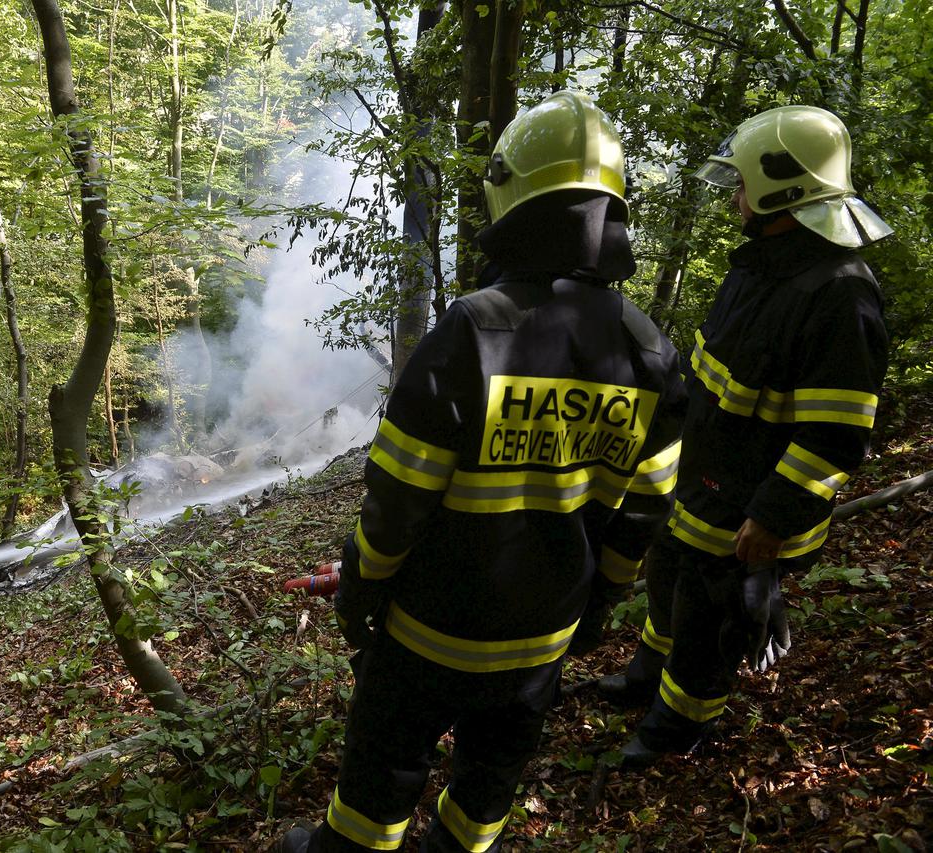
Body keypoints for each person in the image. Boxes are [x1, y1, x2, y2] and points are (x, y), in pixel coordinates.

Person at [280, 90, 687, 853]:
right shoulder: (647, 351)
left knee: (381, 779)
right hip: (542, 638)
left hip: (431, 633)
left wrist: (362, 584)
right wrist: (599, 603)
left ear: (513, 198)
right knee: (488, 786)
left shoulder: (477, 328)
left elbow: (397, 496)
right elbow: (646, 509)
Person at [595, 105, 891, 764]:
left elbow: (835, 436)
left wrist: (772, 518)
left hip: (749, 513)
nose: (735, 197)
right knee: (670, 583)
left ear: (781, 190)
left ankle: (677, 727)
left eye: (743, 184)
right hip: (702, 484)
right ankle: (647, 677)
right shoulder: (759, 265)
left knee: (709, 624)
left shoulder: (841, 297)